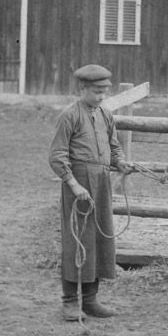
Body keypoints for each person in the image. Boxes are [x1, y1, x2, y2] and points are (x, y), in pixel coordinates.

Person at [48, 64, 132, 322]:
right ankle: (70, 302)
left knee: (99, 240)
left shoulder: (105, 114)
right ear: (82, 89)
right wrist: (74, 184)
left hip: (102, 182)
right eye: (96, 91)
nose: (101, 97)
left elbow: (113, 145)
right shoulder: (69, 116)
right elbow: (57, 156)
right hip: (79, 185)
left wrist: (120, 162)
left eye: (105, 92)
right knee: (78, 241)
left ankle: (91, 300)